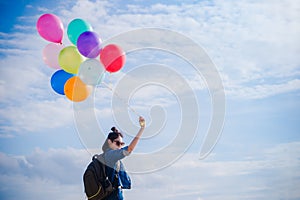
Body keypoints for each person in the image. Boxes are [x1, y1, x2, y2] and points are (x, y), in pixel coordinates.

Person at [101, 116, 145, 200]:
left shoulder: (108, 156)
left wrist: (116, 133)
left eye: (122, 144)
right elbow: (129, 149)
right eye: (117, 143)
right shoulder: (110, 155)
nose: (120, 146)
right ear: (109, 142)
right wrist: (142, 129)